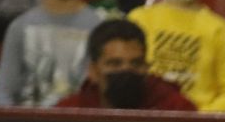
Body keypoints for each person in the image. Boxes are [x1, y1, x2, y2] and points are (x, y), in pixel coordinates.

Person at [56, 19, 197, 110]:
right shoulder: (71, 113)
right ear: (93, 71)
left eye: (136, 63)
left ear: (146, 68)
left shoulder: (175, 110)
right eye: (114, 64)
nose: (126, 70)